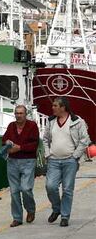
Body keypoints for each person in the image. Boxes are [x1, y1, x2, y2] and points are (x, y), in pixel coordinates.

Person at [44, 97, 91, 227]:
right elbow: (45, 139)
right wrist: (47, 154)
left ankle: (65, 216)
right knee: (50, 186)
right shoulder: (51, 121)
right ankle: (57, 208)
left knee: (67, 190)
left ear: (63, 107)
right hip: (53, 160)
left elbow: (84, 140)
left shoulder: (77, 121)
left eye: (55, 105)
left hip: (70, 161)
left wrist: (75, 156)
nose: (52, 108)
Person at [2, 105, 39, 227]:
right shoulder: (11, 126)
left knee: (26, 188)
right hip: (12, 161)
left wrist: (20, 148)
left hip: (28, 161)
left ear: (26, 114)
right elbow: (4, 139)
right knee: (14, 191)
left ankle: (30, 209)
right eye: (16, 113)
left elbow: (34, 145)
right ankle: (17, 218)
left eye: (21, 113)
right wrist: (7, 142)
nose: (18, 115)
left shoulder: (32, 126)